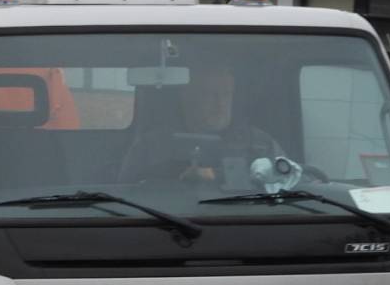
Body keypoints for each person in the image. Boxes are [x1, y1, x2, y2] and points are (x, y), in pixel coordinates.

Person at [118, 55, 285, 188]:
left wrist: (217, 175)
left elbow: (293, 179)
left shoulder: (259, 143)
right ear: (187, 98)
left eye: (226, 94)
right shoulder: (151, 146)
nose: (220, 104)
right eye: (210, 95)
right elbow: (126, 196)